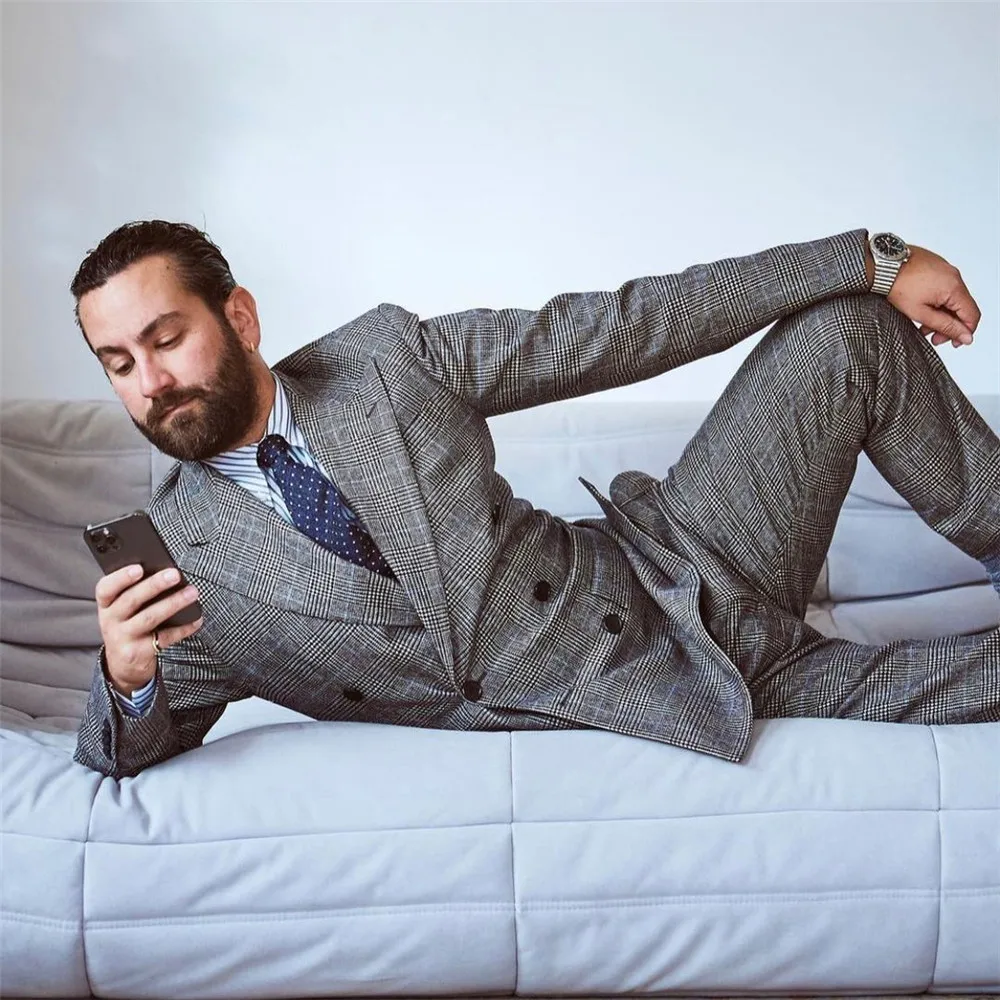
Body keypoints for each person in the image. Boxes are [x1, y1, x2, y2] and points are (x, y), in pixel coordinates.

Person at [70, 221, 1000, 779]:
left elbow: (626, 327)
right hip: (658, 696)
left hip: (688, 556)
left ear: (238, 318)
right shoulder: (178, 557)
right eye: (119, 363)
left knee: (847, 331)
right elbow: (121, 751)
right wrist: (128, 675)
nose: (150, 382)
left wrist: (869, 259)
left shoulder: (384, 362)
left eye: (166, 339)